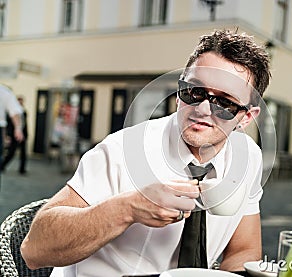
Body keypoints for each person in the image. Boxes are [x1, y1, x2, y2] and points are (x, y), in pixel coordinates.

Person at [21, 29, 272, 276]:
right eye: (194, 92)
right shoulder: (122, 151)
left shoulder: (247, 157)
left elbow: (244, 251)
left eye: (225, 103)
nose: (203, 109)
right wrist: (127, 208)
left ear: (247, 117)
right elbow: (34, 250)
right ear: (178, 93)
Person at [0, 84, 24, 173]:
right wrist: (18, 128)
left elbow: (14, 112)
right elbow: (14, 112)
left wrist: (18, 128)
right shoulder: (4, 91)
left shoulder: (4, 91)